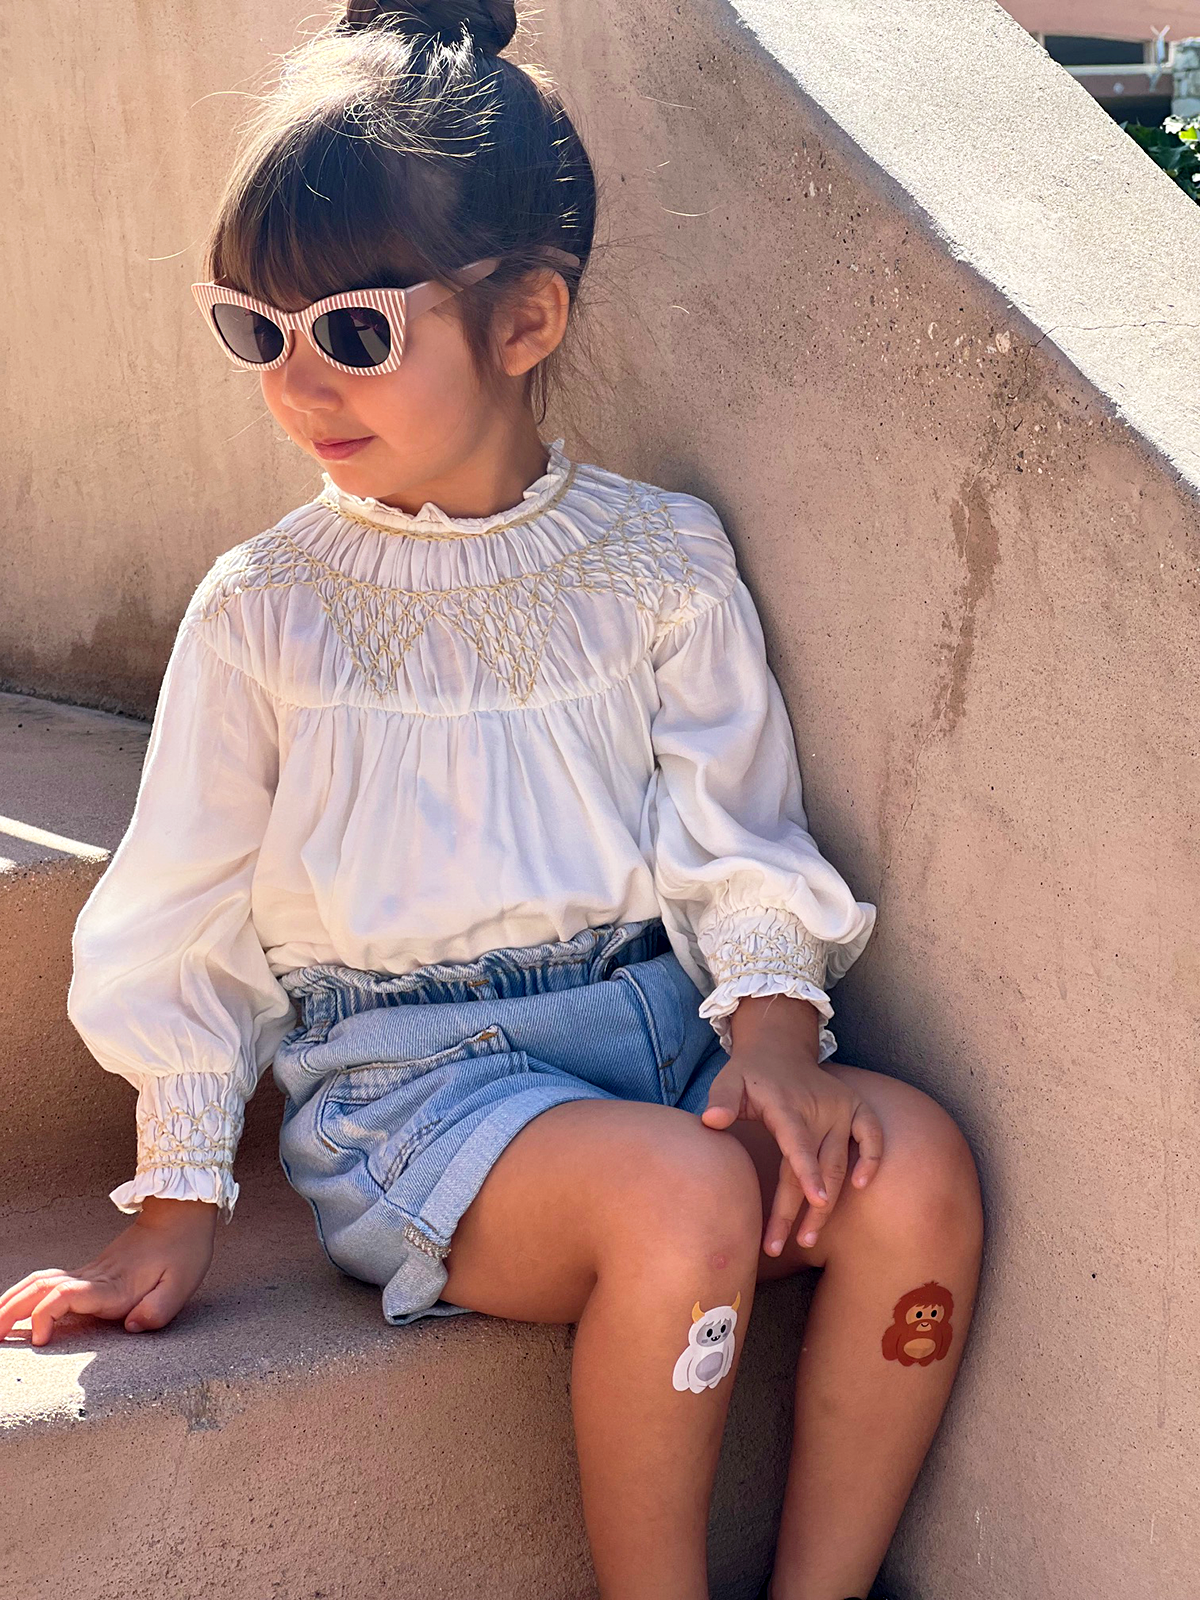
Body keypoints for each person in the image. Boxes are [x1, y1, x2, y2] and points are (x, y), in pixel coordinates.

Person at [0, 4, 984, 1596]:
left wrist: (774, 1039)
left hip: (667, 1033)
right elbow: (176, 904)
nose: (298, 377)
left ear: (527, 320)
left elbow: (732, 829)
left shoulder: (661, 557)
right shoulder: (269, 608)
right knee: (676, 1197)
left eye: (357, 330)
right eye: (256, 329)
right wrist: (177, 1198)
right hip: (418, 1089)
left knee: (917, 1162)